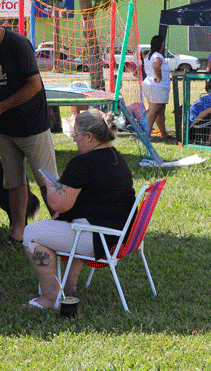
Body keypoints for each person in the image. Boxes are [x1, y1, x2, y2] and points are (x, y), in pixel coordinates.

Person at [22, 109, 135, 309]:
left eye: (76, 136)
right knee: (70, 224)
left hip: (99, 238)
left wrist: (50, 184)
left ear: (89, 137)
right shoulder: (115, 156)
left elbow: (59, 205)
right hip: (119, 234)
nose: (75, 141)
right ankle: (68, 284)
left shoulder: (83, 163)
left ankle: (51, 297)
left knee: (31, 233)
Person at [0, 8, 57, 245]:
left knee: (46, 181)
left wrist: (0, 107)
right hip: (6, 128)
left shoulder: (19, 44)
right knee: (14, 182)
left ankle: (62, 229)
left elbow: (34, 86)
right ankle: (17, 233)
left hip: (32, 126)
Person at [142, 35, 173, 140]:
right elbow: (156, 65)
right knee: (154, 111)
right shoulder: (157, 56)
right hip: (157, 87)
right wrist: (159, 77)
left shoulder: (148, 55)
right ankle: (146, 134)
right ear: (161, 44)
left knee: (160, 111)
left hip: (150, 85)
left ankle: (163, 134)